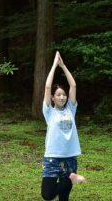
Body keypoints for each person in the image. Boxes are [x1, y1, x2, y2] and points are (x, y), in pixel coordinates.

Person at [41, 51, 86, 201]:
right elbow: (47, 87)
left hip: (70, 158)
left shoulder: (70, 109)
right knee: (47, 194)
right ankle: (70, 178)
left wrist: (63, 65)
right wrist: (54, 65)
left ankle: (70, 178)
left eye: (64, 94)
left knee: (64, 196)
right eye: (58, 95)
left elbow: (73, 85)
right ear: (52, 98)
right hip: (52, 158)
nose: (62, 97)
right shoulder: (49, 111)